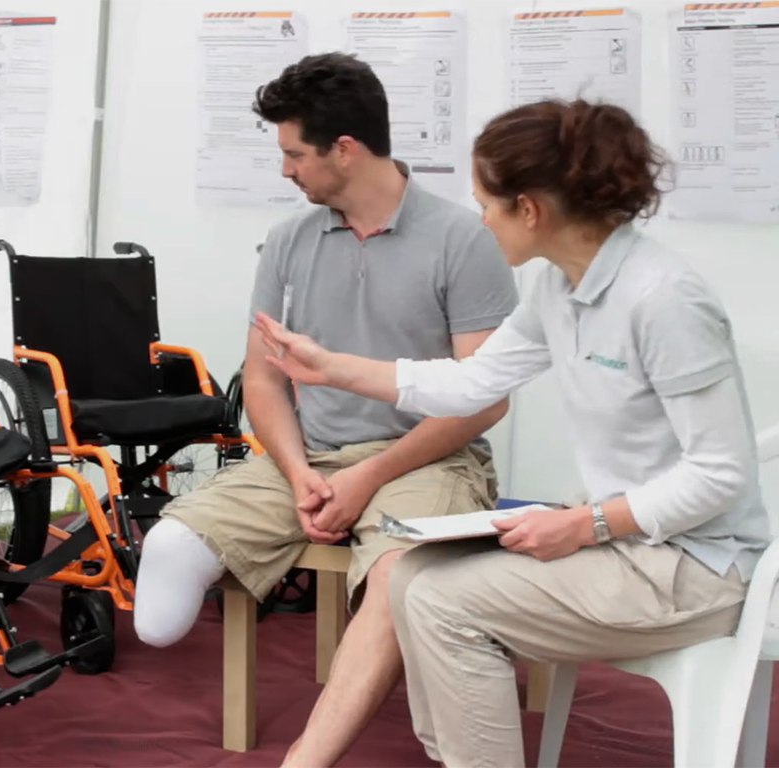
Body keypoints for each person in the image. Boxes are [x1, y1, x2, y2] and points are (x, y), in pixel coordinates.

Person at [255, 96, 772, 767]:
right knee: (413, 576)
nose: (480, 220)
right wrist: (332, 368)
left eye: (488, 203)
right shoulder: (562, 289)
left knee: (445, 604)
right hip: (629, 545)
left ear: (530, 209)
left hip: (699, 568)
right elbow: (471, 382)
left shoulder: (663, 299)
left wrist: (586, 524)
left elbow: (721, 474)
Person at [131, 52, 520, 766]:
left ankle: (306, 756)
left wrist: (368, 478)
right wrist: (296, 468)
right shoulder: (287, 242)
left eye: (293, 154)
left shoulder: (463, 240)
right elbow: (262, 377)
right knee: (166, 556)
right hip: (304, 455)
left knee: (401, 582)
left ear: (345, 150)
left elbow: (484, 398)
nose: (285, 171)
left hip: (425, 456)